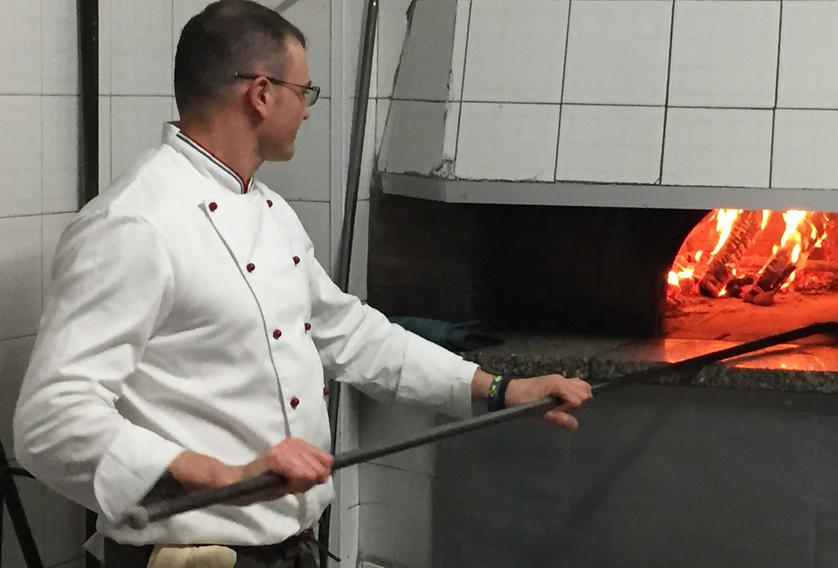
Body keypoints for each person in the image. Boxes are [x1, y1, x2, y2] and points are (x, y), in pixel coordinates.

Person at [13, 1, 593, 566]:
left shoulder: (270, 211)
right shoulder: (134, 225)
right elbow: (51, 420)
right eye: (304, 93)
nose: (308, 110)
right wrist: (226, 478)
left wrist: (497, 390)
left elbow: (351, 334)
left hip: (291, 547)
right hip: (194, 557)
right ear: (261, 94)